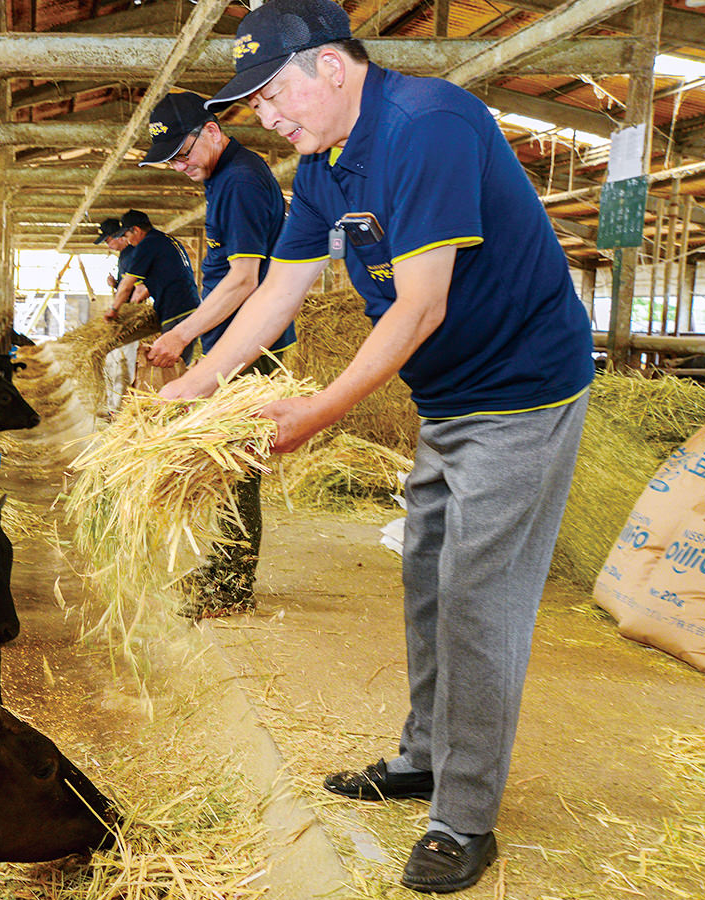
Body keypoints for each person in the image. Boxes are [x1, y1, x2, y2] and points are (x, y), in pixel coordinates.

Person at [169, 0, 593, 892]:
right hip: (447, 394)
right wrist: (193, 385)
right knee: (427, 573)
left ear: (333, 65)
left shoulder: (427, 126)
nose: (268, 119)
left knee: (479, 596)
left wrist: (317, 411)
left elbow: (421, 304)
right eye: (256, 106)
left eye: (276, 94)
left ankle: (464, 818)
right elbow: (281, 290)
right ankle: (424, 757)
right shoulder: (322, 164)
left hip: (521, 391)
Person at [137, 91, 298, 615]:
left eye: (182, 153)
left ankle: (233, 587)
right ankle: (224, 568)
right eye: (171, 162)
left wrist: (182, 335)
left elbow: (244, 280)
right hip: (237, 342)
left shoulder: (241, 182)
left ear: (211, 130)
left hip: (252, 347)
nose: (180, 167)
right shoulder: (227, 178)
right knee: (226, 462)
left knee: (237, 464)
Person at [102, 210, 197, 362]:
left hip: (175, 310)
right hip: (191, 306)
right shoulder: (166, 240)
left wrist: (114, 310)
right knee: (182, 361)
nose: (128, 241)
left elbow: (128, 285)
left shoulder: (146, 245)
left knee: (170, 363)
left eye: (127, 235)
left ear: (137, 230)